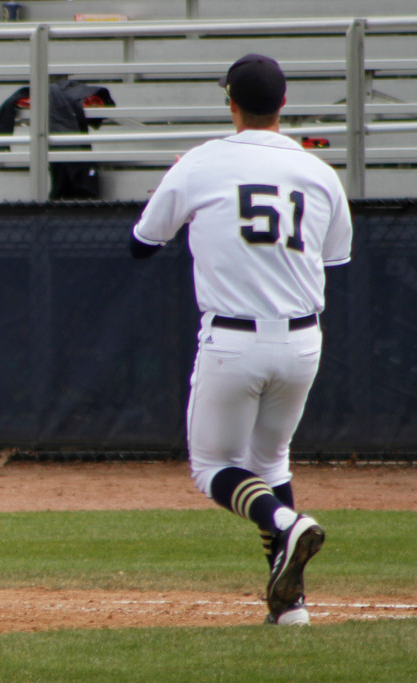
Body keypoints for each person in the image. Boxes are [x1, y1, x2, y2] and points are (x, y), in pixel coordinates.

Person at [129, 54, 353, 625]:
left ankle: (285, 522)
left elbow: (142, 244)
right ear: (284, 104)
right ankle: (290, 607)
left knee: (212, 466)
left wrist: (183, 188)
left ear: (231, 104)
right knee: (271, 462)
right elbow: (336, 259)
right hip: (302, 341)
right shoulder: (318, 172)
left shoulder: (201, 162)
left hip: (233, 339)